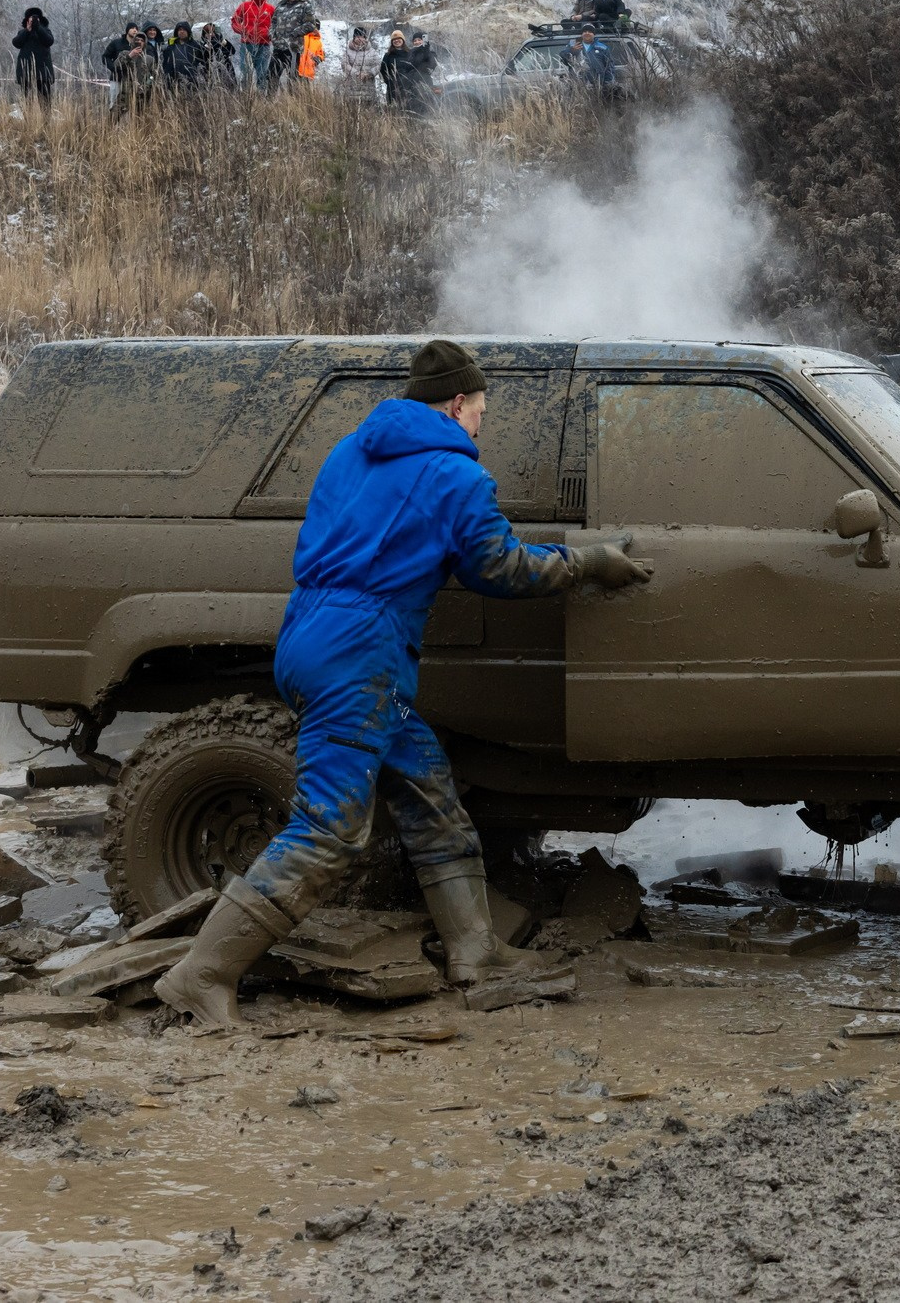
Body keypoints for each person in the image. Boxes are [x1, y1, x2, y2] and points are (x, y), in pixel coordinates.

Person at [153, 341, 654, 1030]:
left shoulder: (349, 452)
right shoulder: (454, 475)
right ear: (455, 404)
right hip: (361, 654)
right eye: (479, 412)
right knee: (329, 829)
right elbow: (499, 567)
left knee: (428, 793)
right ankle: (201, 974)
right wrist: (587, 562)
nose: (480, 425)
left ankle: (475, 950)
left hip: (310, 634)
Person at [270, 0, 317, 92]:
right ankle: (269, 102)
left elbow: (310, 25)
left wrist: (294, 33)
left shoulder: (305, 5)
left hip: (293, 49)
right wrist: (272, 35)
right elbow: (273, 22)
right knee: (271, 75)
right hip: (278, 47)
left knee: (293, 78)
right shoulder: (281, 5)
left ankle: (293, 104)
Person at [230, 0, 275, 90]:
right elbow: (234, 21)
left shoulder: (270, 9)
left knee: (262, 74)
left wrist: (270, 35)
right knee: (245, 72)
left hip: (263, 45)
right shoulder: (245, 6)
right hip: (247, 44)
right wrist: (242, 31)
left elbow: (276, 25)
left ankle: (262, 100)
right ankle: (246, 98)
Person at [11, 6, 54, 110]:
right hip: (26, 71)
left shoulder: (45, 31)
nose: (33, 20)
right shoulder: (23, 32)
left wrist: (38, 27)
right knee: (26, 101)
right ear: (27, 20)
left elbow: (49, 41)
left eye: (36, 18)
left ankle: (46, 124)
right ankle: (29, 123)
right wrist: (28, 30)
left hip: (43, 72)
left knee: (45, 102)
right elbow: (16, 43)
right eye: (31, 18)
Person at [100, 19, 140, 94]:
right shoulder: (116, 43)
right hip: (117, 79)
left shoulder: (138, 45)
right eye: (132, 28)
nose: (135, 30)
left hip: (132, 80)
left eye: (136, 29)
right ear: (127, 30)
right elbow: (105, 57)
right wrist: (113, 68)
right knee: (115, 103)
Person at [161, 22, 204, 92]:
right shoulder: (171, 46)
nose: (182, 31)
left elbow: (203, 60)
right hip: (174, 82)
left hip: (192, 81)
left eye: (184, 30)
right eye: (180, 29)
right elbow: (166, 64)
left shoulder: (196, 45)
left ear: (188, 31)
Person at [196, 20, 238, 88]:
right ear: (204, 35)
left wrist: (225, 44)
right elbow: (201, 60)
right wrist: (206, 49)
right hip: (211, 74)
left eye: (212, 32)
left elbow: (232, 51)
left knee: (230, 88)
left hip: (227, 70)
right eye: (207, 32)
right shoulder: (203, 46)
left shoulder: (223, 42)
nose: (210, 34)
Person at [379, 29, 412, 104]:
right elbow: (383, 69)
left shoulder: (409, 53)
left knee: (408, 107)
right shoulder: (388, 55)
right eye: (394, 39)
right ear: (392, 42)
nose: (396, 40)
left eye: (398, 38)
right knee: (394, 108)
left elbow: (413, 68)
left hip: (408, 86)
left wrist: (410, 81)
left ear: (403, 40)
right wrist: (388, 81)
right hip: (392, 87)